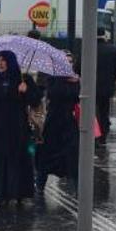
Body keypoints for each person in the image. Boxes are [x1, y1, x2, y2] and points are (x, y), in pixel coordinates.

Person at [0, 50, 42, 208]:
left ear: (11, 62)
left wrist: (26, 91)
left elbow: (35, 101)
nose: (0, 63)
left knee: (17, 159)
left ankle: (19, 193)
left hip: (17, 128)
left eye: (4, 60)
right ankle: (1, 194)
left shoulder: (23, 79)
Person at [35, 51, 80, 191]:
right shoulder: (52, 77)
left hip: (70, 122)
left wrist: (78, 81)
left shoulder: (76, 79)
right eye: (66, 61)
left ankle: (74, 184)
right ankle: (40, 183)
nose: (68, 64)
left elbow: (78, 96)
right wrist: (67, 79)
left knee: (71, 154)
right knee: (47, 154)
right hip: (53, 122)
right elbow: (56, 94)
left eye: (71, 61)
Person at [96, 28, 116, 144]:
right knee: (104, 110)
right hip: (106, 85)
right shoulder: (112, 49)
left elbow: (78, 68)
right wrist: (112, 79)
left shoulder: (87, 47)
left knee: (93, 111)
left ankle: (94, 134)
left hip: (91, 87)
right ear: (104, 35)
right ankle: (103, 135)